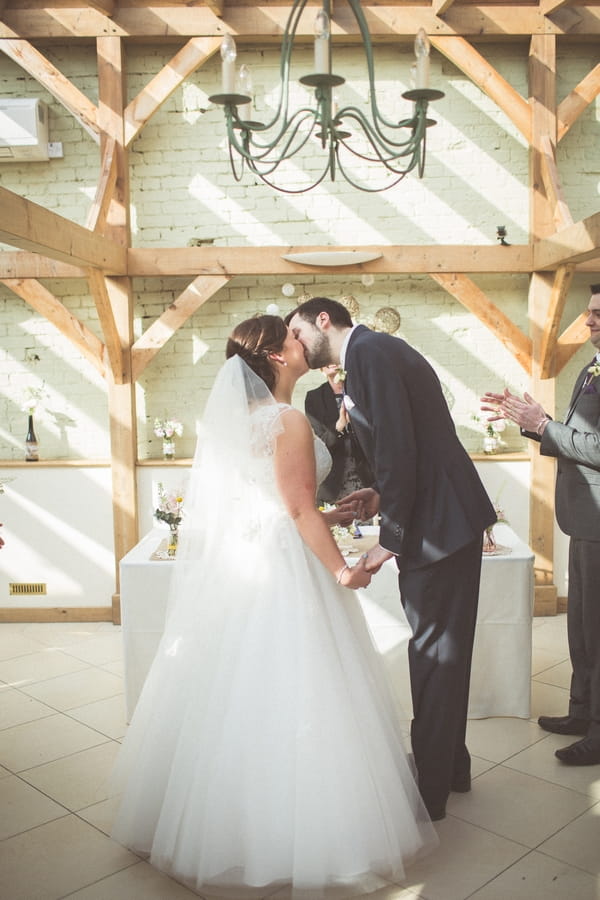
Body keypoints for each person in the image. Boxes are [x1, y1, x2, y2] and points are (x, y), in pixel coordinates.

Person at [111, 315, 437, 897]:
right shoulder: (286, 419)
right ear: (277, 358)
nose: (301, 341)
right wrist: (340, 569)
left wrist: (335, 514)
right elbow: (295, 510)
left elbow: (268, 501)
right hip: (285, 568)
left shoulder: (246, 419)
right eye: (290, 338)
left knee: (236, 689)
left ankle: (216, 820)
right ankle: (302, 830)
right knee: (300, 685)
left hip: (252, 558)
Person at [287, 298, 496, 822]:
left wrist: (391, 538)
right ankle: (451, 769)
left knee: (435, 657)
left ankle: (431, 795)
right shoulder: (371, 355)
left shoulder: (371, 353)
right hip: (440, 517)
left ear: (323, 321)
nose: (294, 344)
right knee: (441, 655)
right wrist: (378, 494)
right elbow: (408, 447)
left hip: (439, 528)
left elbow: (400, 447)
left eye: (296, 331)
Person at [481, 283, 600, 767]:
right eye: (590, 312)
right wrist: (535, 422)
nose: (589, 320)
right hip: (582, 518)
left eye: (597, 314)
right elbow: (576, 437)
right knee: (582, 628)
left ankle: (598, 731)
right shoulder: (590, 371)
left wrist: (547, 425)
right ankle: (580, 711)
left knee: (598, 631)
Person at [304, 363, 373, 507]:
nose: (332, 362)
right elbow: (320, 445)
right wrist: (339, 426)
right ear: (321, 369)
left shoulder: (363, 392)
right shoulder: (314, 398)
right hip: (333, 486)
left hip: (367, 481)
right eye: (326, 360)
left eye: (335, 357)